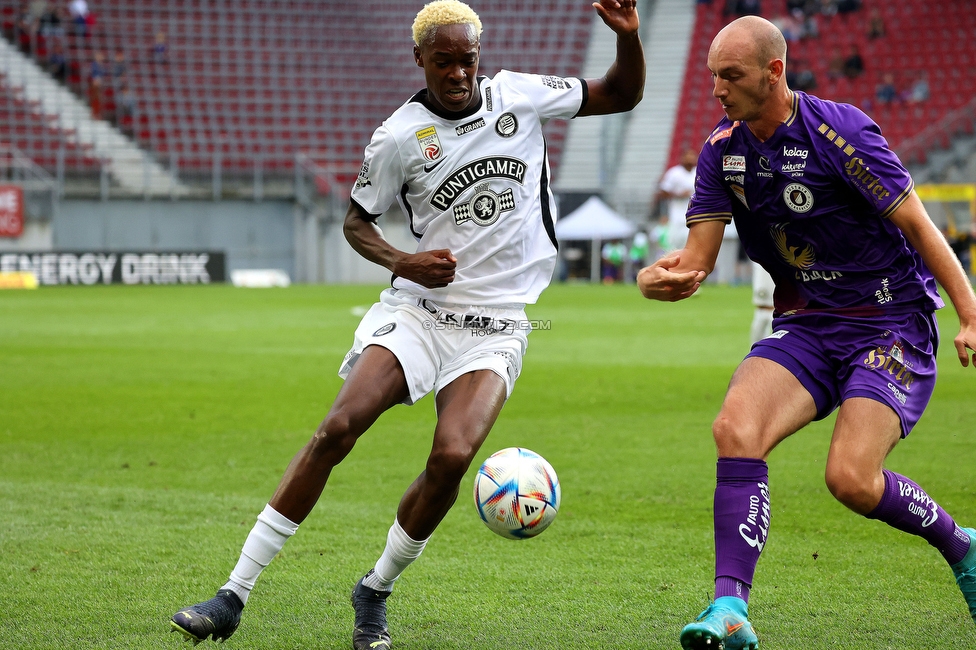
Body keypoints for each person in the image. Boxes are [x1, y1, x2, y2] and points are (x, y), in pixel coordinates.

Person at [169, 1, 645, 648]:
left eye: (467, 60)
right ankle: (232, 594)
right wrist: (404, 262)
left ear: (480, 55)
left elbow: (622, 93)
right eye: (444, 61)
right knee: (337, 428)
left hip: (497, 324)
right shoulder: (399, 136)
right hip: (418, 313)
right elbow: (357, 222)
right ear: (420, 59)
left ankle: (375, 590)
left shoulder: (521, 97)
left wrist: (628, 39)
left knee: (451, 456)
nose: (458, 73)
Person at [637, 15, 976, 650]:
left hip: (890, 323)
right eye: (712, 76)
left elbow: (920, 226)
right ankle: (730, 609)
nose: (717, 90)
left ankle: (964, 548)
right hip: (809, 324)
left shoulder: (841, 133)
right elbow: (698, 256)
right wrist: (658, 278)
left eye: (731, 76)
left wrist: (970, 312)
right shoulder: (722, 152)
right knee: (735, 428)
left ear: (774, 72)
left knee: (850, 479)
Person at [658, 149, 698, 252]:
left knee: (690, 246)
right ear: (682, 158)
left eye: (692, 156)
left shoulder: (698, 172)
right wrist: (679, 194)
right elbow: (662, 192)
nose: (690, 159)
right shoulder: (674, 173)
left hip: (694, 214)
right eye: (687, 156)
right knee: (673, 246)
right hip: (676, 215)